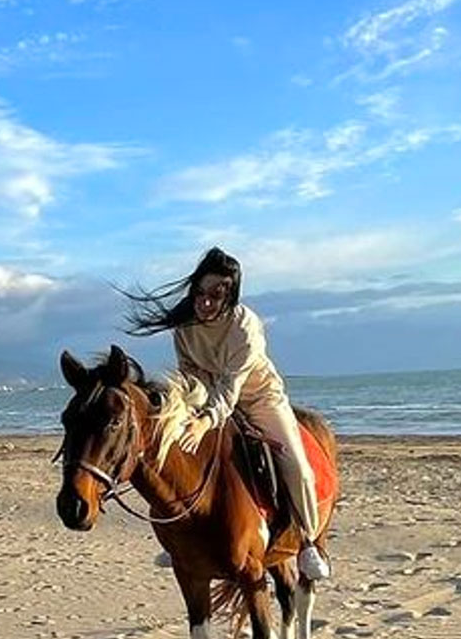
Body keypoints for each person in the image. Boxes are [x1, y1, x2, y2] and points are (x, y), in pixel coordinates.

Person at [125, 246, 330, 581]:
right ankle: (178, 537)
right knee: (172, 452)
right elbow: (190, 374)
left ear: (230, 295)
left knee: (297, 466)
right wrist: (190, 413)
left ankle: (307, 541)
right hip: (207, 396)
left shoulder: (245, 325)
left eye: (217, 295)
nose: (206, 302)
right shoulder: (185, 326)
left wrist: (206, 419)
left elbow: (231, 386)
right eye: (201, 293)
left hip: (258, 398)